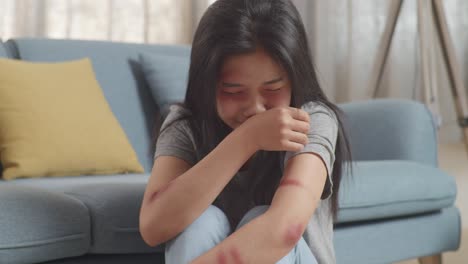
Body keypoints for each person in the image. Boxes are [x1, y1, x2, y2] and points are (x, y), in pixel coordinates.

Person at [139, 0, 353, 263]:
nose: (255, 109)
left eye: (272, 89)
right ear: (206, 85)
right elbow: (153, 226)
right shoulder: (187, 125)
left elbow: (283, 230)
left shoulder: (311, 120)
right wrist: (245, 140)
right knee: (201, 223)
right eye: (234, 91)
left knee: (261, 216)